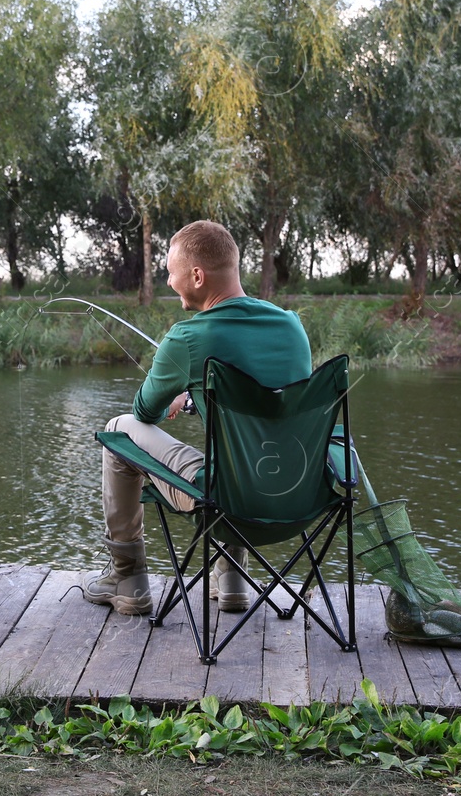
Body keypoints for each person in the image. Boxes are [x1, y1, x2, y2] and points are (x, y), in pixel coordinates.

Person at [83, 220, 312, 616]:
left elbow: (145, 412)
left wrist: (177, 389)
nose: (169, 282)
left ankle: (128, 578)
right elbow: (263, 409)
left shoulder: (186, 338)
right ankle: (231, 579)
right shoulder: (292, 327)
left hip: (222, 501)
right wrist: (194, 397)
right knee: (234, 453)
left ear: (197, 275)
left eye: (171, 272)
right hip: (295, 496)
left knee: (118, 429)